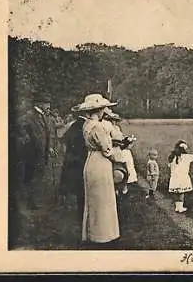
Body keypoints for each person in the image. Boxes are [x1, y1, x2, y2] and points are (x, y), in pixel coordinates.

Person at [71, 94, 120, 248]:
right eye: (103, 109)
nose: (104, 111)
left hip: (90, 160)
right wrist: (119, 158)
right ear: (98, 110)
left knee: (93, 200)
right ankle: (103, 235)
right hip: (100, 163)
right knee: (103, 200)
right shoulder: (97, 127)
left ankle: (92, 233)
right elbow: (106, 149)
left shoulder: (87, 125)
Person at [20, 96, 58, 210]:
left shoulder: (45, 116)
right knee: (31, 176)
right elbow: (21, 129)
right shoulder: (29, 116)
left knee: (38, 175)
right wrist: (26, 139)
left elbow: (49, 133)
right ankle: (30, 201)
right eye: (47, 103)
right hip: (32, 152)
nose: (49, 106)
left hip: (42, 151)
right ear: (39, 103)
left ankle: (35, 199)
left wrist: (50, 147)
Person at [59, 112, 88, 224]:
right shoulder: (83, 125)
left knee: (78, 190)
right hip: (79, 161)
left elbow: (64, 140)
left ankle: (80, 214)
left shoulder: (75, 125)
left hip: (72, 161)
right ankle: (82, 217)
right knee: (81, 189)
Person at [102, 109, 141, 192]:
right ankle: (116, 189)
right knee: (115, 170)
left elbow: (121, 138)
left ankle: (122, 186)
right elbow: (113, 140)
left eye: (115, 120)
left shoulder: (117, 128)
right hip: (113, 150)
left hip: (118, 150)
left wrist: (127, 140)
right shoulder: (106, 128)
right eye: (111, 120)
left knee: (123, 168)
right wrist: (121, 142)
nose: (114, 122)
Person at [167, 140, 193, 213]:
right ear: (184, 149)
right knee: (181, 193)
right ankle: (181, 207)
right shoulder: (186, 157)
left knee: (176, 192)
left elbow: (169, 165)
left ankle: (177, 207)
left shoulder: (172, 157)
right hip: (182, 177)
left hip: (174, 177)